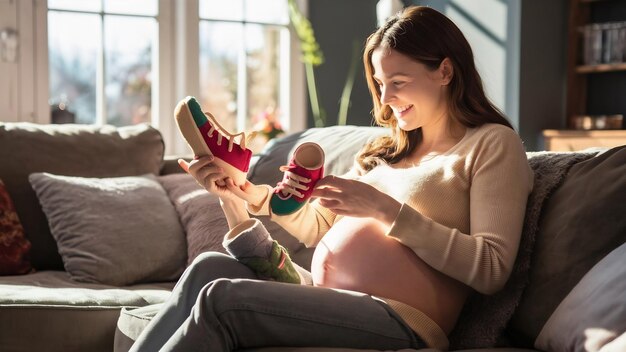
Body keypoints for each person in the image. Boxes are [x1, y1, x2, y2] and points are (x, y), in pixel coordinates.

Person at [129, 5, 533, 352]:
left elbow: (492, 269)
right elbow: (316, 228)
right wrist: (244, 193)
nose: (386, 98)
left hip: (401, 317)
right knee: (207, 269)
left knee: (223, 298)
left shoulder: (491, 145)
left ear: (444, 71)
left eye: (399, 82)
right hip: (328, 297)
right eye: (380, 83)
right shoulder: (385, 151)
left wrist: (385, 210)